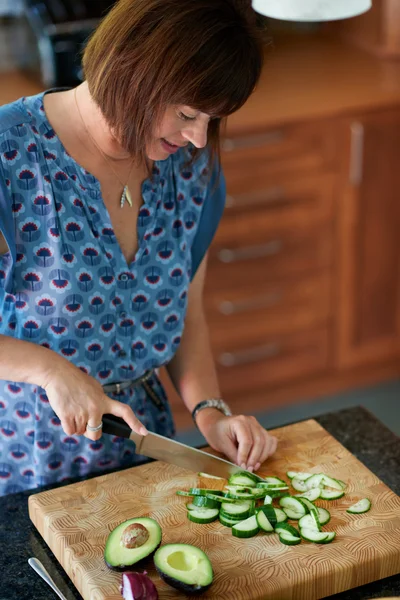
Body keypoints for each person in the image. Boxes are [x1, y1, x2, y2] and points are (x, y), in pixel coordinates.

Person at [0, 0, 277, 495]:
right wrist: (51, 370)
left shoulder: (193, 170)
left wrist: (211, 412)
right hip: (26, 454)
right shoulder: (10, 158)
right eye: (188, 113)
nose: (197, 138)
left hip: (144, 445)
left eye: (211, 120)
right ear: (132, 72)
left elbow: (185, 312)